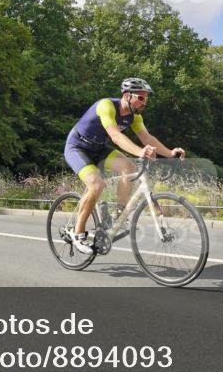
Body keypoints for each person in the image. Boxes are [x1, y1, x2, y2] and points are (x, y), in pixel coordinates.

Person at [63, 78, 185, 254]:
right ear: (127, 96)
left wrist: (170, 153)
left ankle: (118, 214)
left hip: (98, 148)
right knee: (97, 185)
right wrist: (140, 152)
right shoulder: (106, 106)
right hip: (77, 147)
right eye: (141, 98)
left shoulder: (135, 117)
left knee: (129, 168)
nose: (144, 102)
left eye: (146, 98)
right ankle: (78, 233)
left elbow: (147, 138)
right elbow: (115, 136)